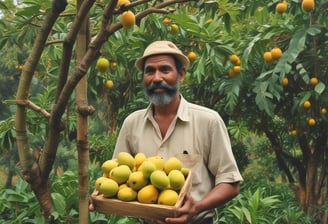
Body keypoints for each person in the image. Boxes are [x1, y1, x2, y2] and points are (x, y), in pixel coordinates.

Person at [91, 40, 243, 224]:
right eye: (149, 71)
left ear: (181, 74)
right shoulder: (132, 124)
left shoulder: (208, 121)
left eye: (165, 69)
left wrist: (196, 207)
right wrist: (103, 198)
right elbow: (117, 177)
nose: (156, 78)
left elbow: (230, 182)